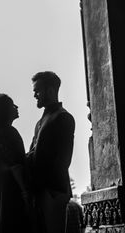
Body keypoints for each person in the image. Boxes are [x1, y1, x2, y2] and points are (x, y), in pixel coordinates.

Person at [26, 71, 74, 233]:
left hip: (53, 191)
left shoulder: (63, 117)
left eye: (37, 90)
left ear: (51, 90)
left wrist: (51, 192)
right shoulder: (41, 121)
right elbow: (34, 154)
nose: (34, 95)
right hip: (39, 191)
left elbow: (64, 159)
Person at [0, 94, 32, 233]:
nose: (16, 108)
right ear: (4, 110)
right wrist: (25, 192)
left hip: (3, 193)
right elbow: (15, 167)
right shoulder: (8, 132)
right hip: (12, 192)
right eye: (12, 105)